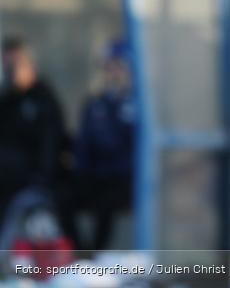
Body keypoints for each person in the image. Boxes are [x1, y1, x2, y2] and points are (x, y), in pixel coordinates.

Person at [74, 39, 135, 251]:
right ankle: (79, 255)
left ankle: (97, 255)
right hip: (97, 177)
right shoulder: (95, 104)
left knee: (107, 202)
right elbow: (84, 146)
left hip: (126, 180)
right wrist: (80, 174)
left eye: (117, 66)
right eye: (107, 67)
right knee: (63, 195)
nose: (111, 72)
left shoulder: (139, 104)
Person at [0, 37, 67, 224]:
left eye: (16, 64)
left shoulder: (43, 98)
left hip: (34, 180)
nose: (12, 71)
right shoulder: (6, 100)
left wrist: (42, 178)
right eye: (8, 65)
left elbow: (51, 143)